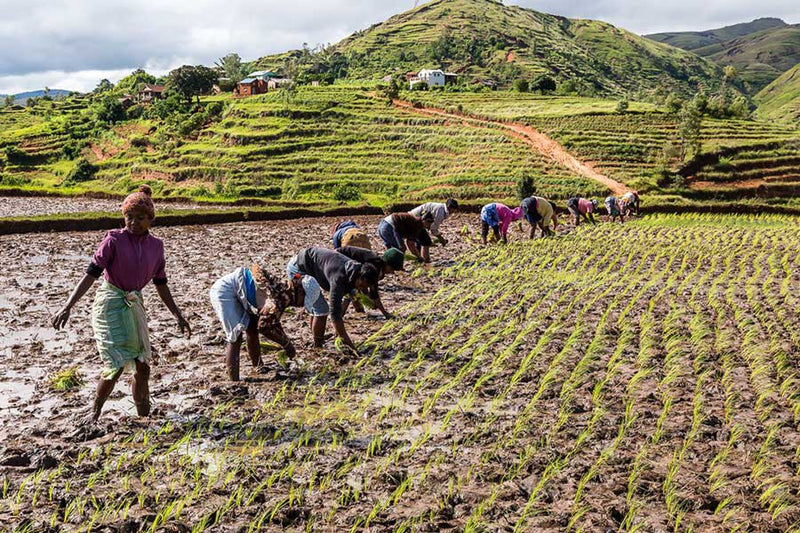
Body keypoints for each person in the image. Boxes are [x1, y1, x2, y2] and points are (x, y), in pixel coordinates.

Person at [51, 185, 190, 422]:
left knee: (143, 366)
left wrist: (177, 314)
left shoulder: (156, 247)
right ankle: (94, 412)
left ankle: (143, 417)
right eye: (129, 217)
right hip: (111, 304)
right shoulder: (114, 239)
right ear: (123, 217)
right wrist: (68, 305)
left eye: (140, 218)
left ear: (150, 220)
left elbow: (161, 284)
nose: (134, 222)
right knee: (115, 364)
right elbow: (91, 274)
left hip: (134, 303)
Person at [210, 264, 305, 381]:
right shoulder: (278, 300)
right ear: (299, 292)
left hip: (239, 290)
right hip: (225, 292)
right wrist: (286, 345)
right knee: (235, 338)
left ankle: (258, 366)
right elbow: (264, 327)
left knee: (252, 328)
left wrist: (286, 343)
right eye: (304, 298)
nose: (303, 304)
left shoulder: (283, 291)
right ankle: (234, 382)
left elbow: (274, 322)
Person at [287, 247, 380, 352]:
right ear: (360, 278)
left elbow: (344, 302)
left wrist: (339, 332)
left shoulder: (354, 271)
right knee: (322, 309)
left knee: (318, 307)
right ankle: (318, 346)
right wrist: (347, 342)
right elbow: (334, 312)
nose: (362, 288)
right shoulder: (338, 278)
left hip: (309, 265)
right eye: (363, 285)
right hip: (299, 270)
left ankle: (317, 337)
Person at [336, 246, 405, 319]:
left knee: (354, 289)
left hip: (343, 258)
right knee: (350, 289)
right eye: (392, 269)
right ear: (387, 264)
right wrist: (385, 313)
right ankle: (339, 316)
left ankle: (356, 310)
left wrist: (371, 300)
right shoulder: (375, 267)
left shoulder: (377, 264)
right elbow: (374, 293)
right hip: (338, 258)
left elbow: (369, 290)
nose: (392, 272)